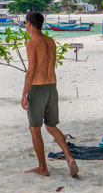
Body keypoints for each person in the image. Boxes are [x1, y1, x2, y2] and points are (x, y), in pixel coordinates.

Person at [22, 11, 79, 178]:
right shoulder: (51, 41)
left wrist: (24, 93)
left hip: (38, 87)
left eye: (26, 23)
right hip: (51, 86)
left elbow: (31, 70)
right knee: (51, 126)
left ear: (29, 24)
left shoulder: (32, 43)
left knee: (35, 128)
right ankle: (69, 157)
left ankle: (42, 168)